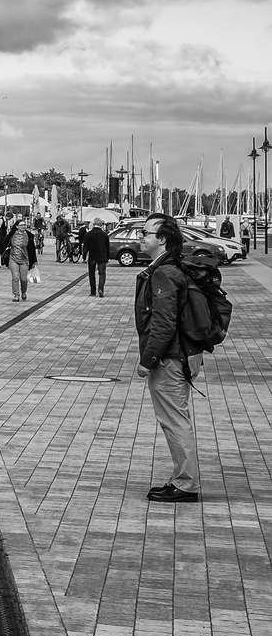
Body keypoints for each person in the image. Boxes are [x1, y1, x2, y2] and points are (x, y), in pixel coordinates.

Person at [134, 213, 204, 503]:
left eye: (145, 232)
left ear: (161, 239)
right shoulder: (169, 268)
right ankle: (182, 478)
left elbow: (164, 323)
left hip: (170, 359)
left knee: (175, 421)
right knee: (175, 419)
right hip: (178, 355)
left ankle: (186, 483)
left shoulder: (164, 273)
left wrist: (148, 360)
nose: (141, 236)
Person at [7, 213, 36, 301]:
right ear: (17, 226)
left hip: (24, 260)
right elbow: (5, 245)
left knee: (23, 279)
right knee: (15, 277)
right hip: (13, 258)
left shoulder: (29, 236)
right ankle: (16, 294)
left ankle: (23, 292)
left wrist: (34, 261)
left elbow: (32, 249)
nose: (23, 226)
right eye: (21, 225)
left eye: (24, 225)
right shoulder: (12, 235)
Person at [84, 218, 109, 297]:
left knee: (91, 274)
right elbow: (107, 247)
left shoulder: (89, 234)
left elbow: (85, 246)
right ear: (101, 225)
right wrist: (107, 257)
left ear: (94, 224)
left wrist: (84, 255)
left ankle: (93, 291)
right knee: (102, 274)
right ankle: (101, 289)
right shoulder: (104, 234)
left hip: (92, 256)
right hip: (102, 256)